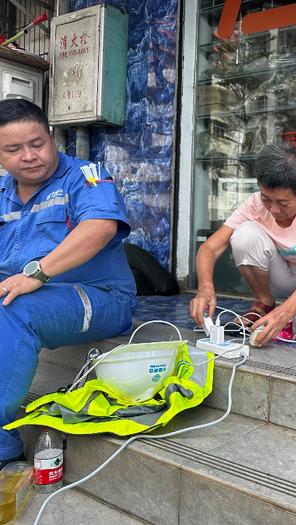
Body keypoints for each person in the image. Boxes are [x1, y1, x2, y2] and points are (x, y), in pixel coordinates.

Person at [0, 99, 137, 467]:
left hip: (101, 298)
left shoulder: (86, 176)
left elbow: (100, 227)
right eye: (13, 149)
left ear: (51, 137)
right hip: (39, 297)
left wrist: (37, 274)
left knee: (14, 309)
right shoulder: (2, 193)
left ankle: (1, 445)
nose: (29, 156)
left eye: (37, 143)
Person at [189, 142, 296, 347]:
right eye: (266, 199)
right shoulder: (254, 204)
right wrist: (205, 288)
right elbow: (210, 247)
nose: (274, 209)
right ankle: (264, 303)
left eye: (283, 203)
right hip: (282, 277)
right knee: (244, 236)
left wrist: (286, 312)